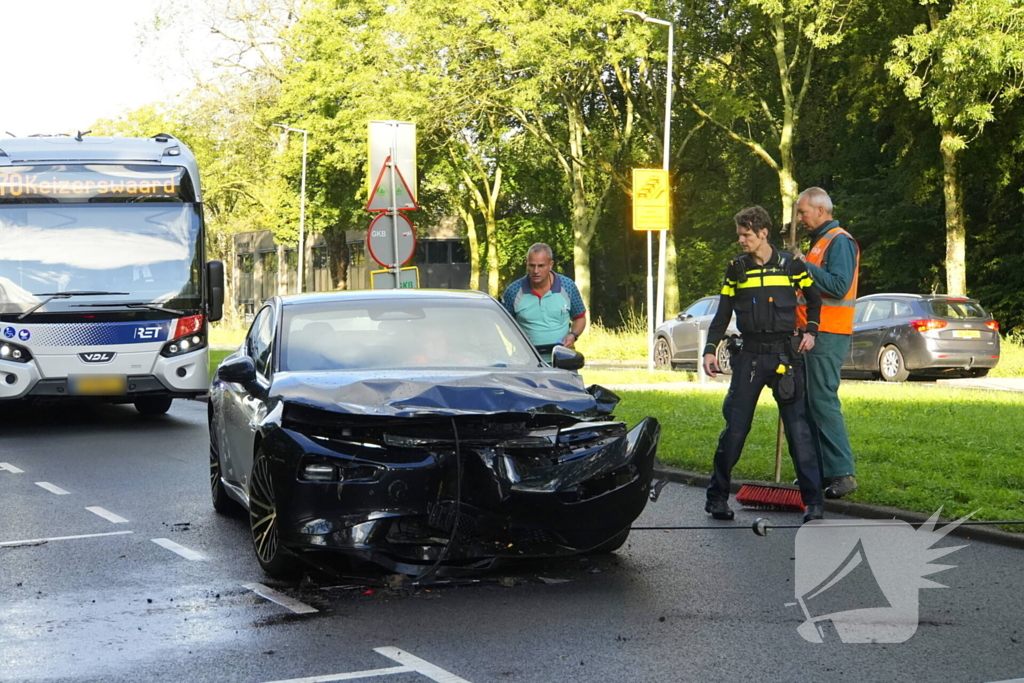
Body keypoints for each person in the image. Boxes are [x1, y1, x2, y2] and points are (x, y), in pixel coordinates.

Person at [702, 206, 825, 524]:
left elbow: (814, 300)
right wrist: (710, 349)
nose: (741, 240)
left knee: (799, 431)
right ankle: (717, 498)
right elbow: (723, 313)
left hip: (787, 356)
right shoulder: (736, 269)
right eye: (739, 234)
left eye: (746, 234)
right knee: (736, 429)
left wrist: (811, 331)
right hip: (750, 357)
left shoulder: (791, 265)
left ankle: (814, 503)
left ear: (763, 233)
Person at [792, 187, 861, 499]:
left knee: (822, 401)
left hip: (828, 334)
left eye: (803, 212)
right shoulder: (820, 242)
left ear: (820, 210)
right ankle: (819, 473)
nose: (800, 218)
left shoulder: (840, 241)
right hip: (813, 333)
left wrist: (802, 265)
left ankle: (842, 473)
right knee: (810, 404)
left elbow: (837, 285)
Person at [501, 243, 586, 359]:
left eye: (541, 266)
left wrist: (573, 335)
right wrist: (518, 342)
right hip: (527, 361)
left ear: (550, 265)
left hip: (562, 359)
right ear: (526, 264)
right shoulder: (513, 291)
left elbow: (580, 317)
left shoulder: (567, 286)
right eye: (532, 265)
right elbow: (505, 325)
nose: (536, 271)